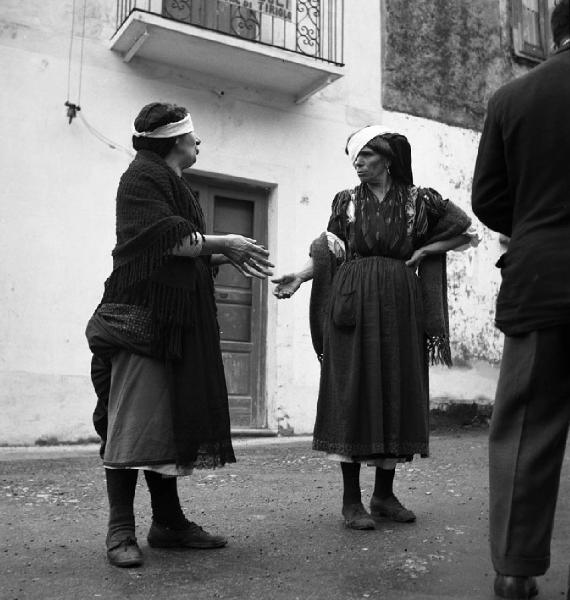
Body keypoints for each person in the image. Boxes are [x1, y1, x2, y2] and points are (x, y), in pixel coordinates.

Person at [86, 102, 273, 568]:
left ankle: (167, 523)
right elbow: (162, 241)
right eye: (193, 137)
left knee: (165, 423)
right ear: (174, 141)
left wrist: (219, 255)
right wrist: (223, 243)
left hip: (175, 322)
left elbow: (181, 251)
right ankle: (119, 530)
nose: (198, 143)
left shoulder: (175, 184)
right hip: (143, 319)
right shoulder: (141, 178)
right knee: (132, 422)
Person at [273, 126, 476, 530]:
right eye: (355, 158)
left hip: (401, 304)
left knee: (394, 389)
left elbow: (463, 227)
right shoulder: (346, 202)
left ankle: (384, 494)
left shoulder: (420, 201)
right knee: (353, 390)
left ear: (388, 157)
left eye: (366, 155)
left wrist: (425, 248)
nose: (359, 163)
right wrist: (300, 275)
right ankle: (352, 502)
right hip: (353, 302)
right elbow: (332, 250)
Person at [472, 1, 570, 598]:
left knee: (526, 427)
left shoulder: (511, 97)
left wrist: (534, 225)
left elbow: (488, 198)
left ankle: (514, 570)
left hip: (539, 276)